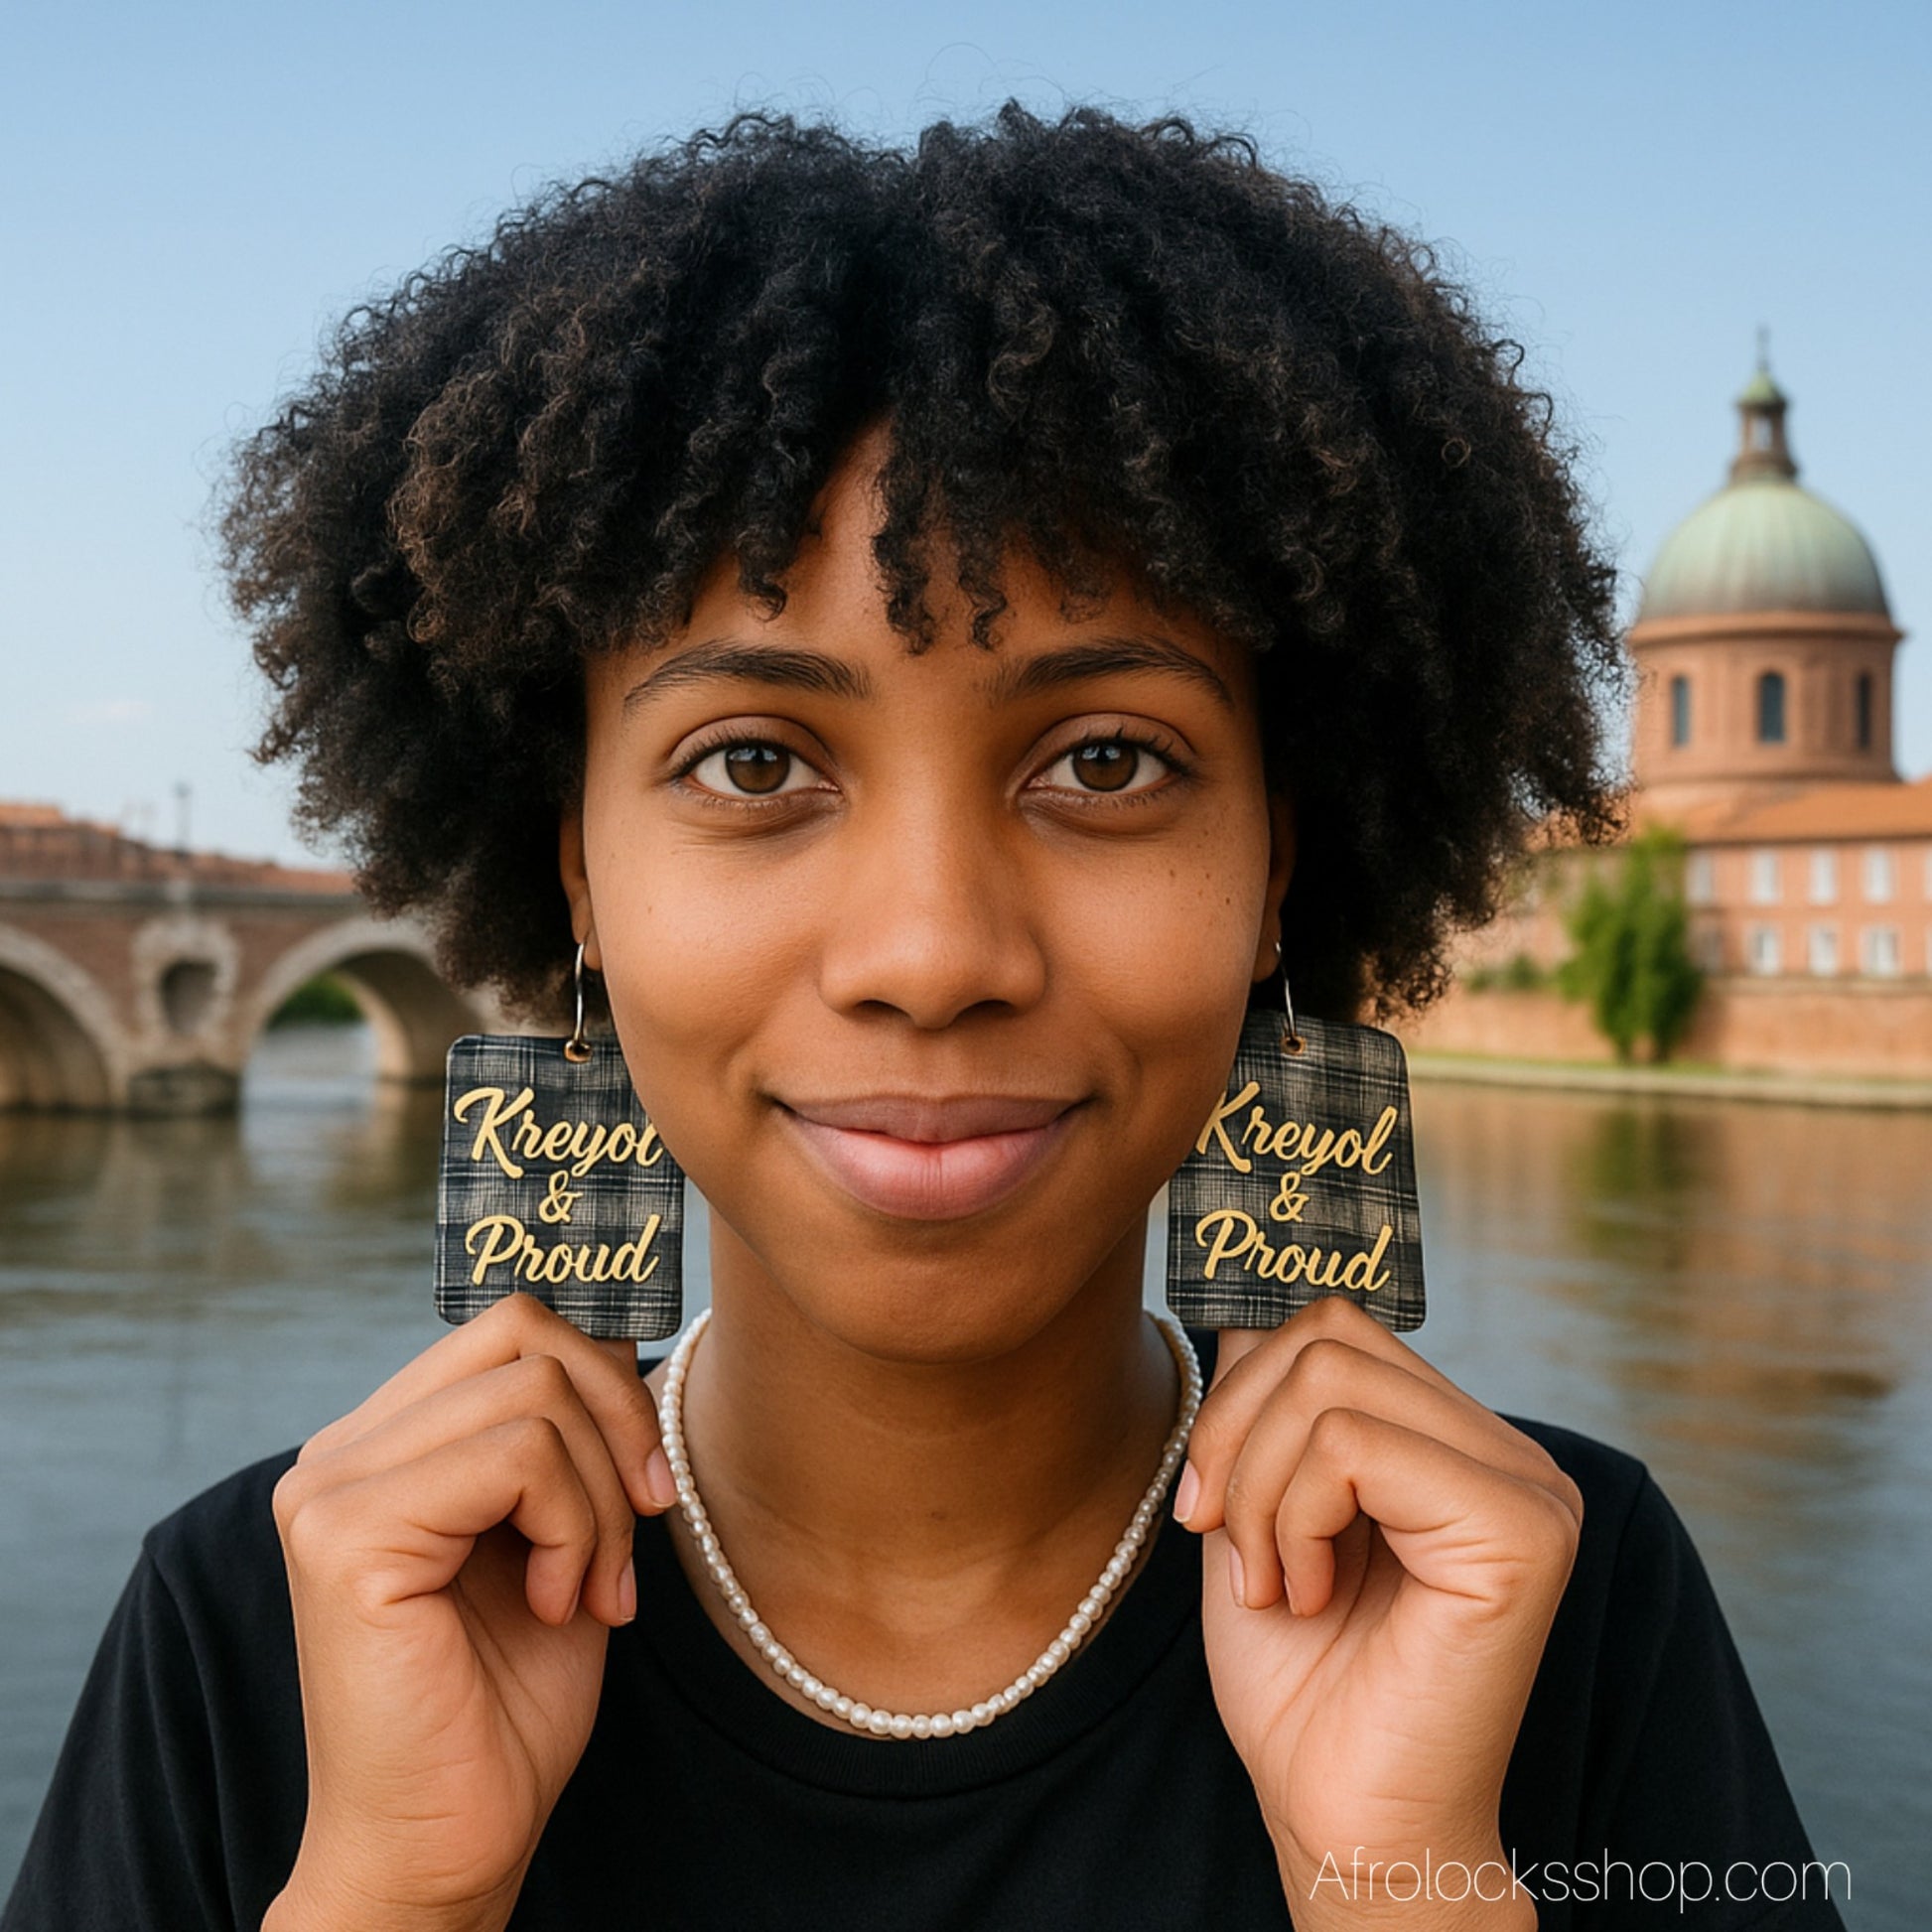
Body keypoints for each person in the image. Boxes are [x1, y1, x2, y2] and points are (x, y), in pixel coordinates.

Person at [4, 105, 1846, 1931]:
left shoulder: (1547, 1597)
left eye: (1105, 758)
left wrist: (1402, 1885)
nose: (931, 947)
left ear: (1284, 857)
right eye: (752, 759)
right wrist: (398, 1888)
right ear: (571, 866)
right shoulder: (261, 1625)